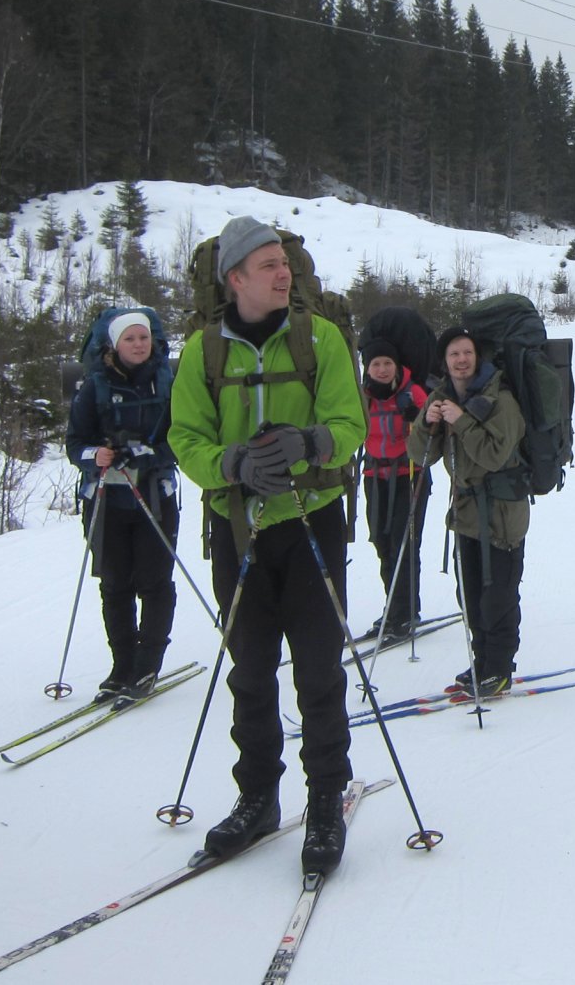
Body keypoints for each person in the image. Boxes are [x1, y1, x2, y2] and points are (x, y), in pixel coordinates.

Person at [168, 216, 365, 875]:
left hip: (312, 522)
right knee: (250, 671)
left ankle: (325, 800)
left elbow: (350, 422)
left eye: (285, 262)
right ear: (235, 278)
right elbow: (184, 437)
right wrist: (232, 464)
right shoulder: (202, 352)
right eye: (269, 265)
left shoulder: (320, 338)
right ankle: (257, 798)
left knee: (318, 670)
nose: (284, 274)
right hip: (238, 529)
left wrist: (307, 443)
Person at [407, 324, 529, 699]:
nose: (461, 360)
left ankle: (499, 668)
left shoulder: (501, 399)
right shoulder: (441, 397)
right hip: (465, 512)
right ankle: (482, 663)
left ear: (478, 357)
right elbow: (420, 456)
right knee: (471, 594)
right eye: (454, 354)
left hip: (502, 512)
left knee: (498, 595)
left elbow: (494, 456)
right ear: (444, 361)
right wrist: (426, 424)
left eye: (467, 353)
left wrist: (460, 420)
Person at [65, 311, 179, 703]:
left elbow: (184, 437)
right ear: (114, 344)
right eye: (129, 338)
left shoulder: (168, 380)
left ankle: (147, 665)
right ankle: (122, 666)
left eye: (143, 337)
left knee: (154, 582)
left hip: (155, 495)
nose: (138, 344)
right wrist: (94, 455)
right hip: (105, 499)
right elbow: (74, 444)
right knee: (115, 585)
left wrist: (149, 454)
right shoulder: (94, 386)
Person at [359, 338, 430, 643]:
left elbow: (435, 429)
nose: (382, 369)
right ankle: (395, 608)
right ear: (367, 368)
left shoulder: (413, 393)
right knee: (382, 543)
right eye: (376, 364)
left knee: (404, 545)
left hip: (409, 476)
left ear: (397, 366)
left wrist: (419, 418)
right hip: (375, 477)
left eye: (388, 363)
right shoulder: (362, 396)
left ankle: (404, 613)